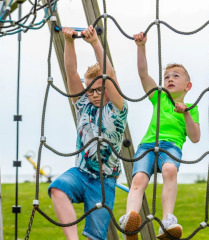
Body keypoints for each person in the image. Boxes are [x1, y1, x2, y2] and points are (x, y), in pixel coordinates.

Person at [48, 26, 128, 240]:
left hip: (104, 181)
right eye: (90, 90)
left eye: (99, 90)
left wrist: (94, 43)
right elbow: (71, 73)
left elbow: (109, 74)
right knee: (57, 189)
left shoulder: (117, 110)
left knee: (95, 235)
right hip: (81, 172)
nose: (93, 94)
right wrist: (69, 42)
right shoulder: (83, 104)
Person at [119, 32, 200, 240]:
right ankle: (130, 219)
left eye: (176, 76)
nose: (170, 79)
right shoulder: (159, 97)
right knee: (138, 179)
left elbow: (195, 137)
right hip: (147, 145)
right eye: (166, 76)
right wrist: (141, 47)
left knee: (170, 169)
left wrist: (187, 114)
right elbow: (143, 74)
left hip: (171, 147)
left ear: (187, 86)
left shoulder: (191, 107)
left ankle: (167, 221)